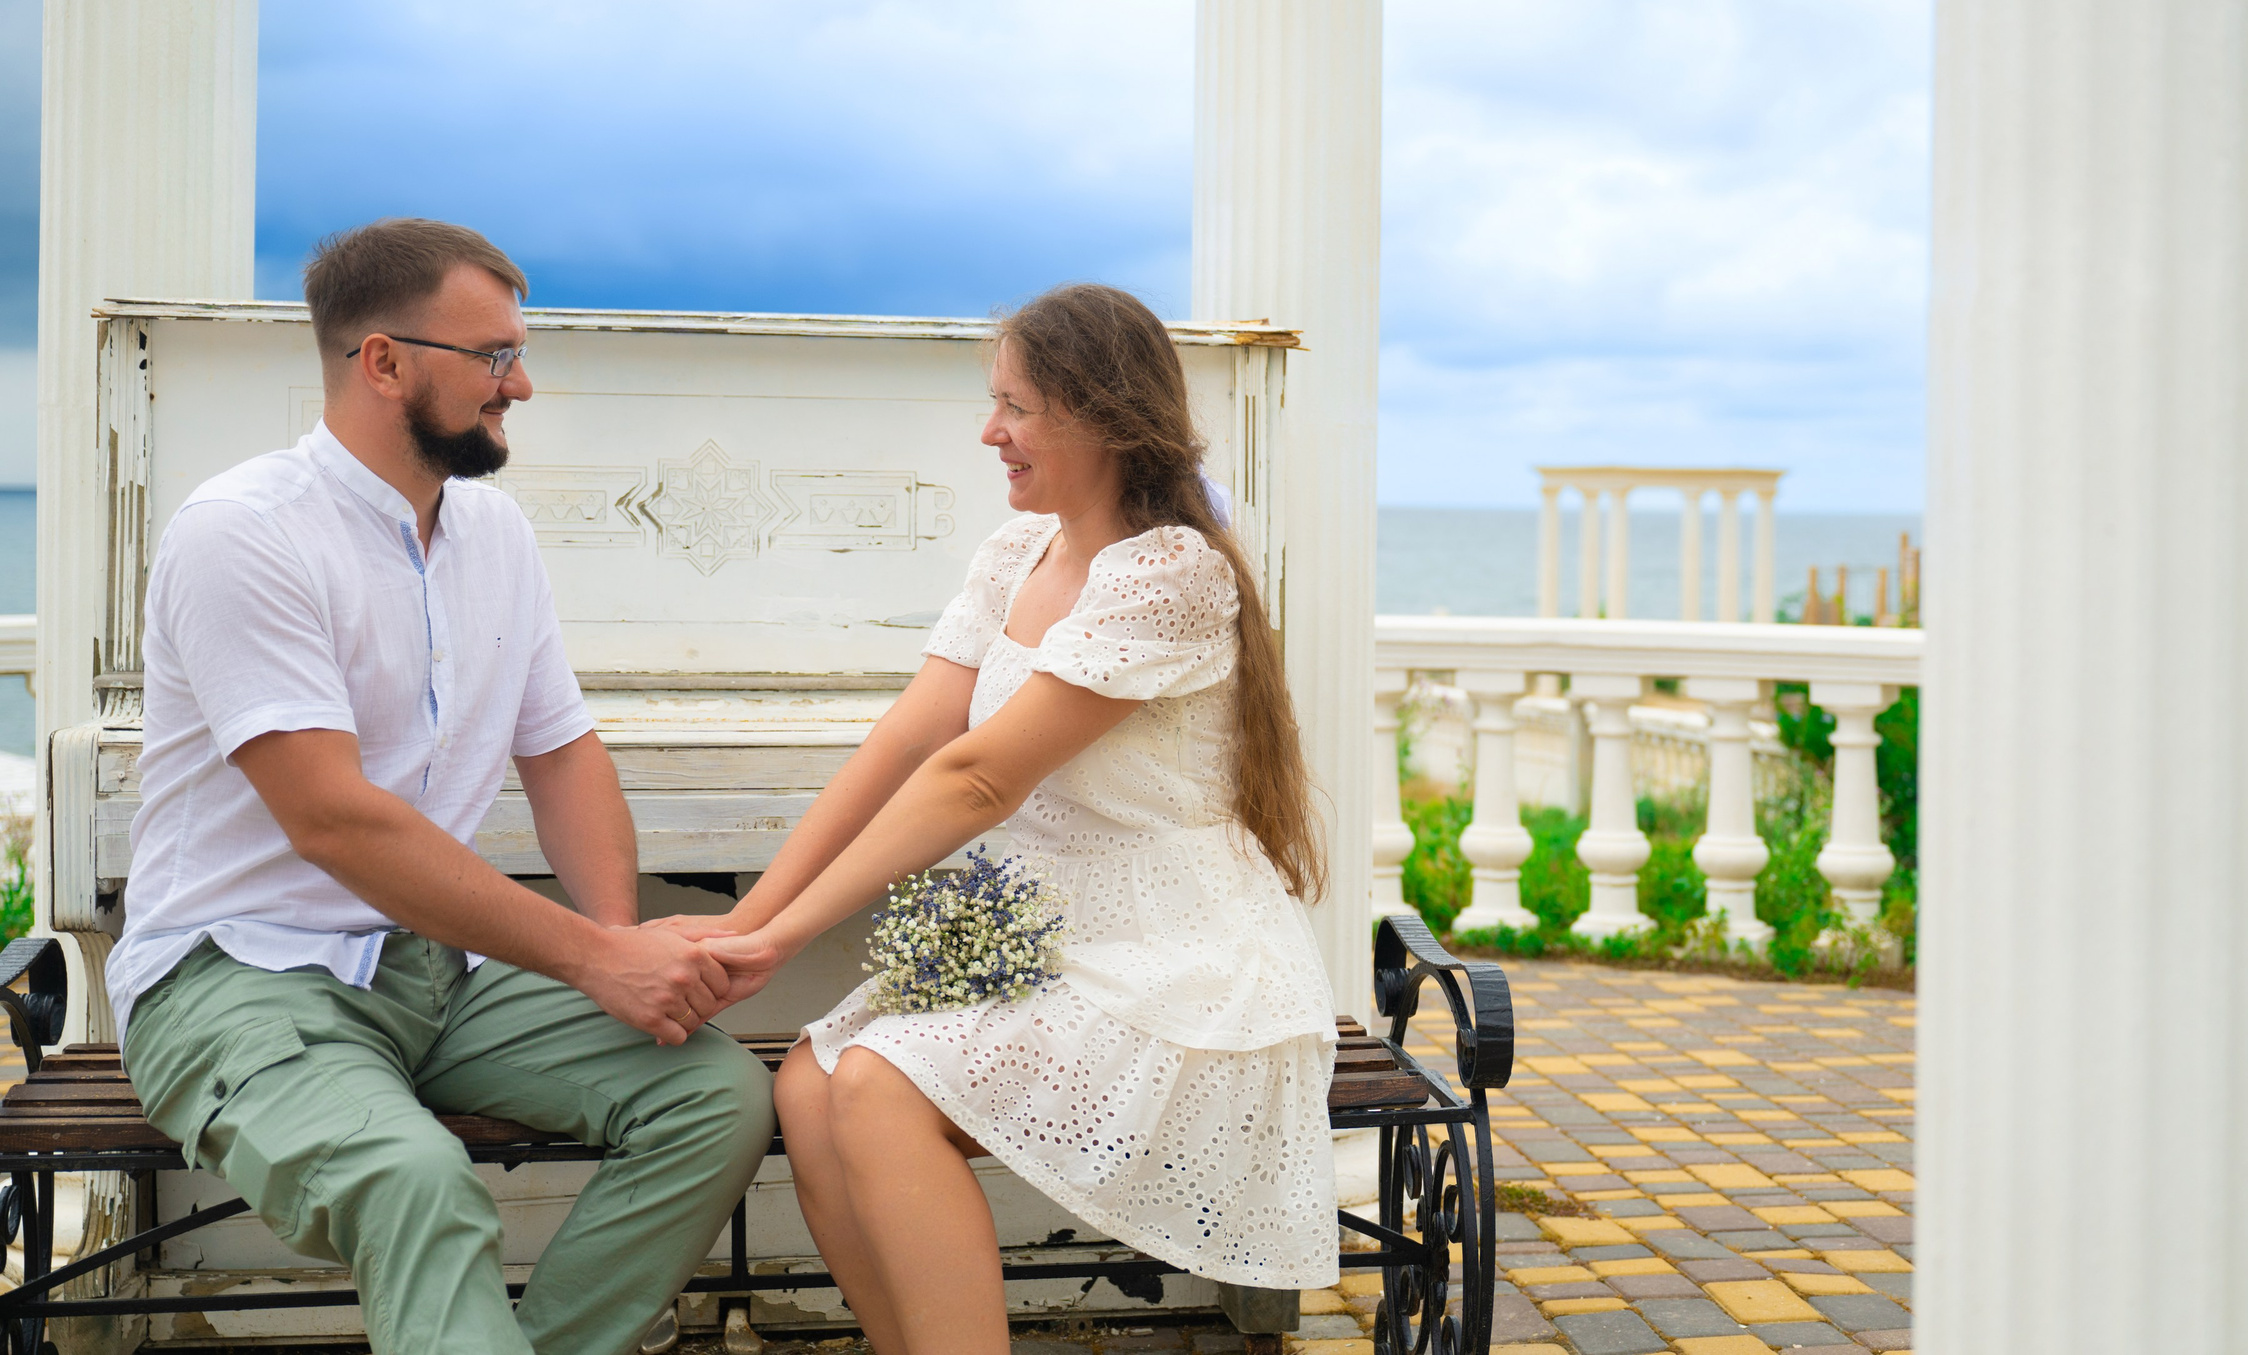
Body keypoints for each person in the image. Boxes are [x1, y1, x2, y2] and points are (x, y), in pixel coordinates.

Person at [110, 218, 773, 1355]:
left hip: (436, 971)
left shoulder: (495, 533)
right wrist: (593, 958)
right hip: (239, 975)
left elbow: (560, 753)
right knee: (419, 1185)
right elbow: (332, 819)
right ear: (383, 361)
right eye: (494, 357)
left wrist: (614, 949)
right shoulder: (243, 533)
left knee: (714, 1100)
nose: (523, 383)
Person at [667, 283, 1338, 1355]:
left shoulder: (1168, 572)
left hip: (1177, 955)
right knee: (811, 1080)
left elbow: (979, 780)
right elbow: (908, 740)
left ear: (1103, 416)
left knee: (879, 1089)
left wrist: (772, 943)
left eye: (1016, 408)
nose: (992, 433)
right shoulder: (1015, 554)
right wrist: (750, 917)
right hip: (1047, 935)